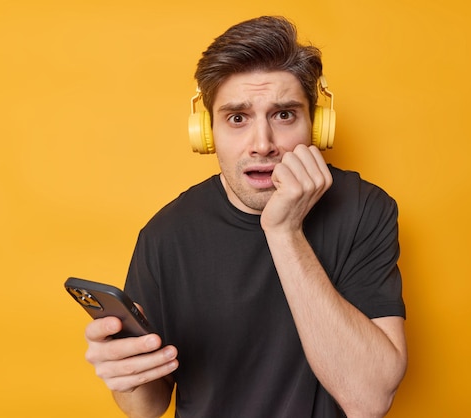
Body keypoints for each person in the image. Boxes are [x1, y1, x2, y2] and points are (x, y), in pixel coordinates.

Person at [84, 15, 407, 418]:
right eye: (237, 118)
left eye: (284, 115)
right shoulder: (165, 235)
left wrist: (284, 231)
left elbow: (369, 401)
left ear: (318, 126)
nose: (262, 144)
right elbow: (147, 408)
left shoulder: (363, 209)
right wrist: (126, 374)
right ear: (206, 132)